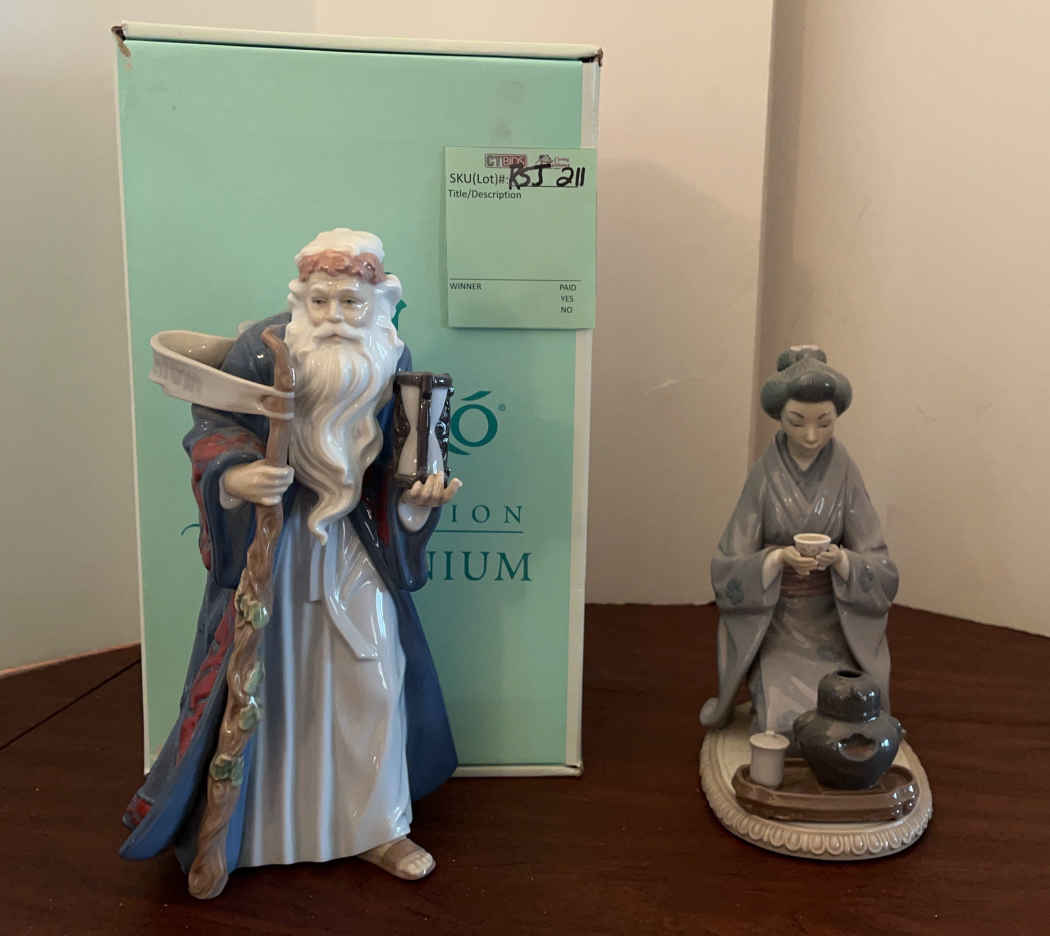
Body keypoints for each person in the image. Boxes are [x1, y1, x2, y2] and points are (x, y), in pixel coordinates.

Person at [120, 229, 460, 883]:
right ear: (301, 298)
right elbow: (214, 425)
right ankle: (256, 833)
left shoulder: (392, 356)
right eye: (321, 301)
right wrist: (238, 476)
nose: (335, 318)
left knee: (373, 682)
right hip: (276, 546)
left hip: (355, 544)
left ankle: (379, 825)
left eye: (351, 303)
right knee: (269, 689)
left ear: (379, 302)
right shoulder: (263, 348)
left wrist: (418, 502)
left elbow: (405, 466)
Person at [699, 346, 899, 743]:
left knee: (849, 713)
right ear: (779, 416)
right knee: (780, 724)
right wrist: (776, 559)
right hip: (778, 621)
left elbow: (880, 565)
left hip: (835, 622)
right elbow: (728, 564)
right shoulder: (764, 475)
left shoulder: (845, 472)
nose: (811, 435)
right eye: (797, 421)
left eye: (825, 423)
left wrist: (841, 561)